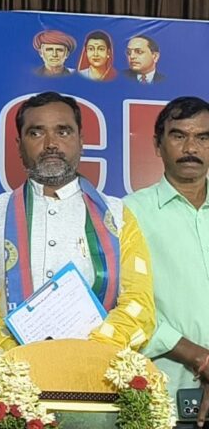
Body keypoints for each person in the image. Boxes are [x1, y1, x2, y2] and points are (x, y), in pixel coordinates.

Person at [0, 92, 155, 358]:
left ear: (81, 142)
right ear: (19, 145)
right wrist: (16, 359)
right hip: (13, 373)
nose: (51, 144)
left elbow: (138, 302)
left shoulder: (117, 215)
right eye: (36, 133)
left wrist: (85, 356)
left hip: (97, 369)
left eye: (63, 132)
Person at [126, 97, 209, 425]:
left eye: (203, 137)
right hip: (162, 393)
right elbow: (125, 304)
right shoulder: (129, 213)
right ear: (157, 144)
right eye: (178, 136)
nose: (191, 148)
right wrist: (199, 357)